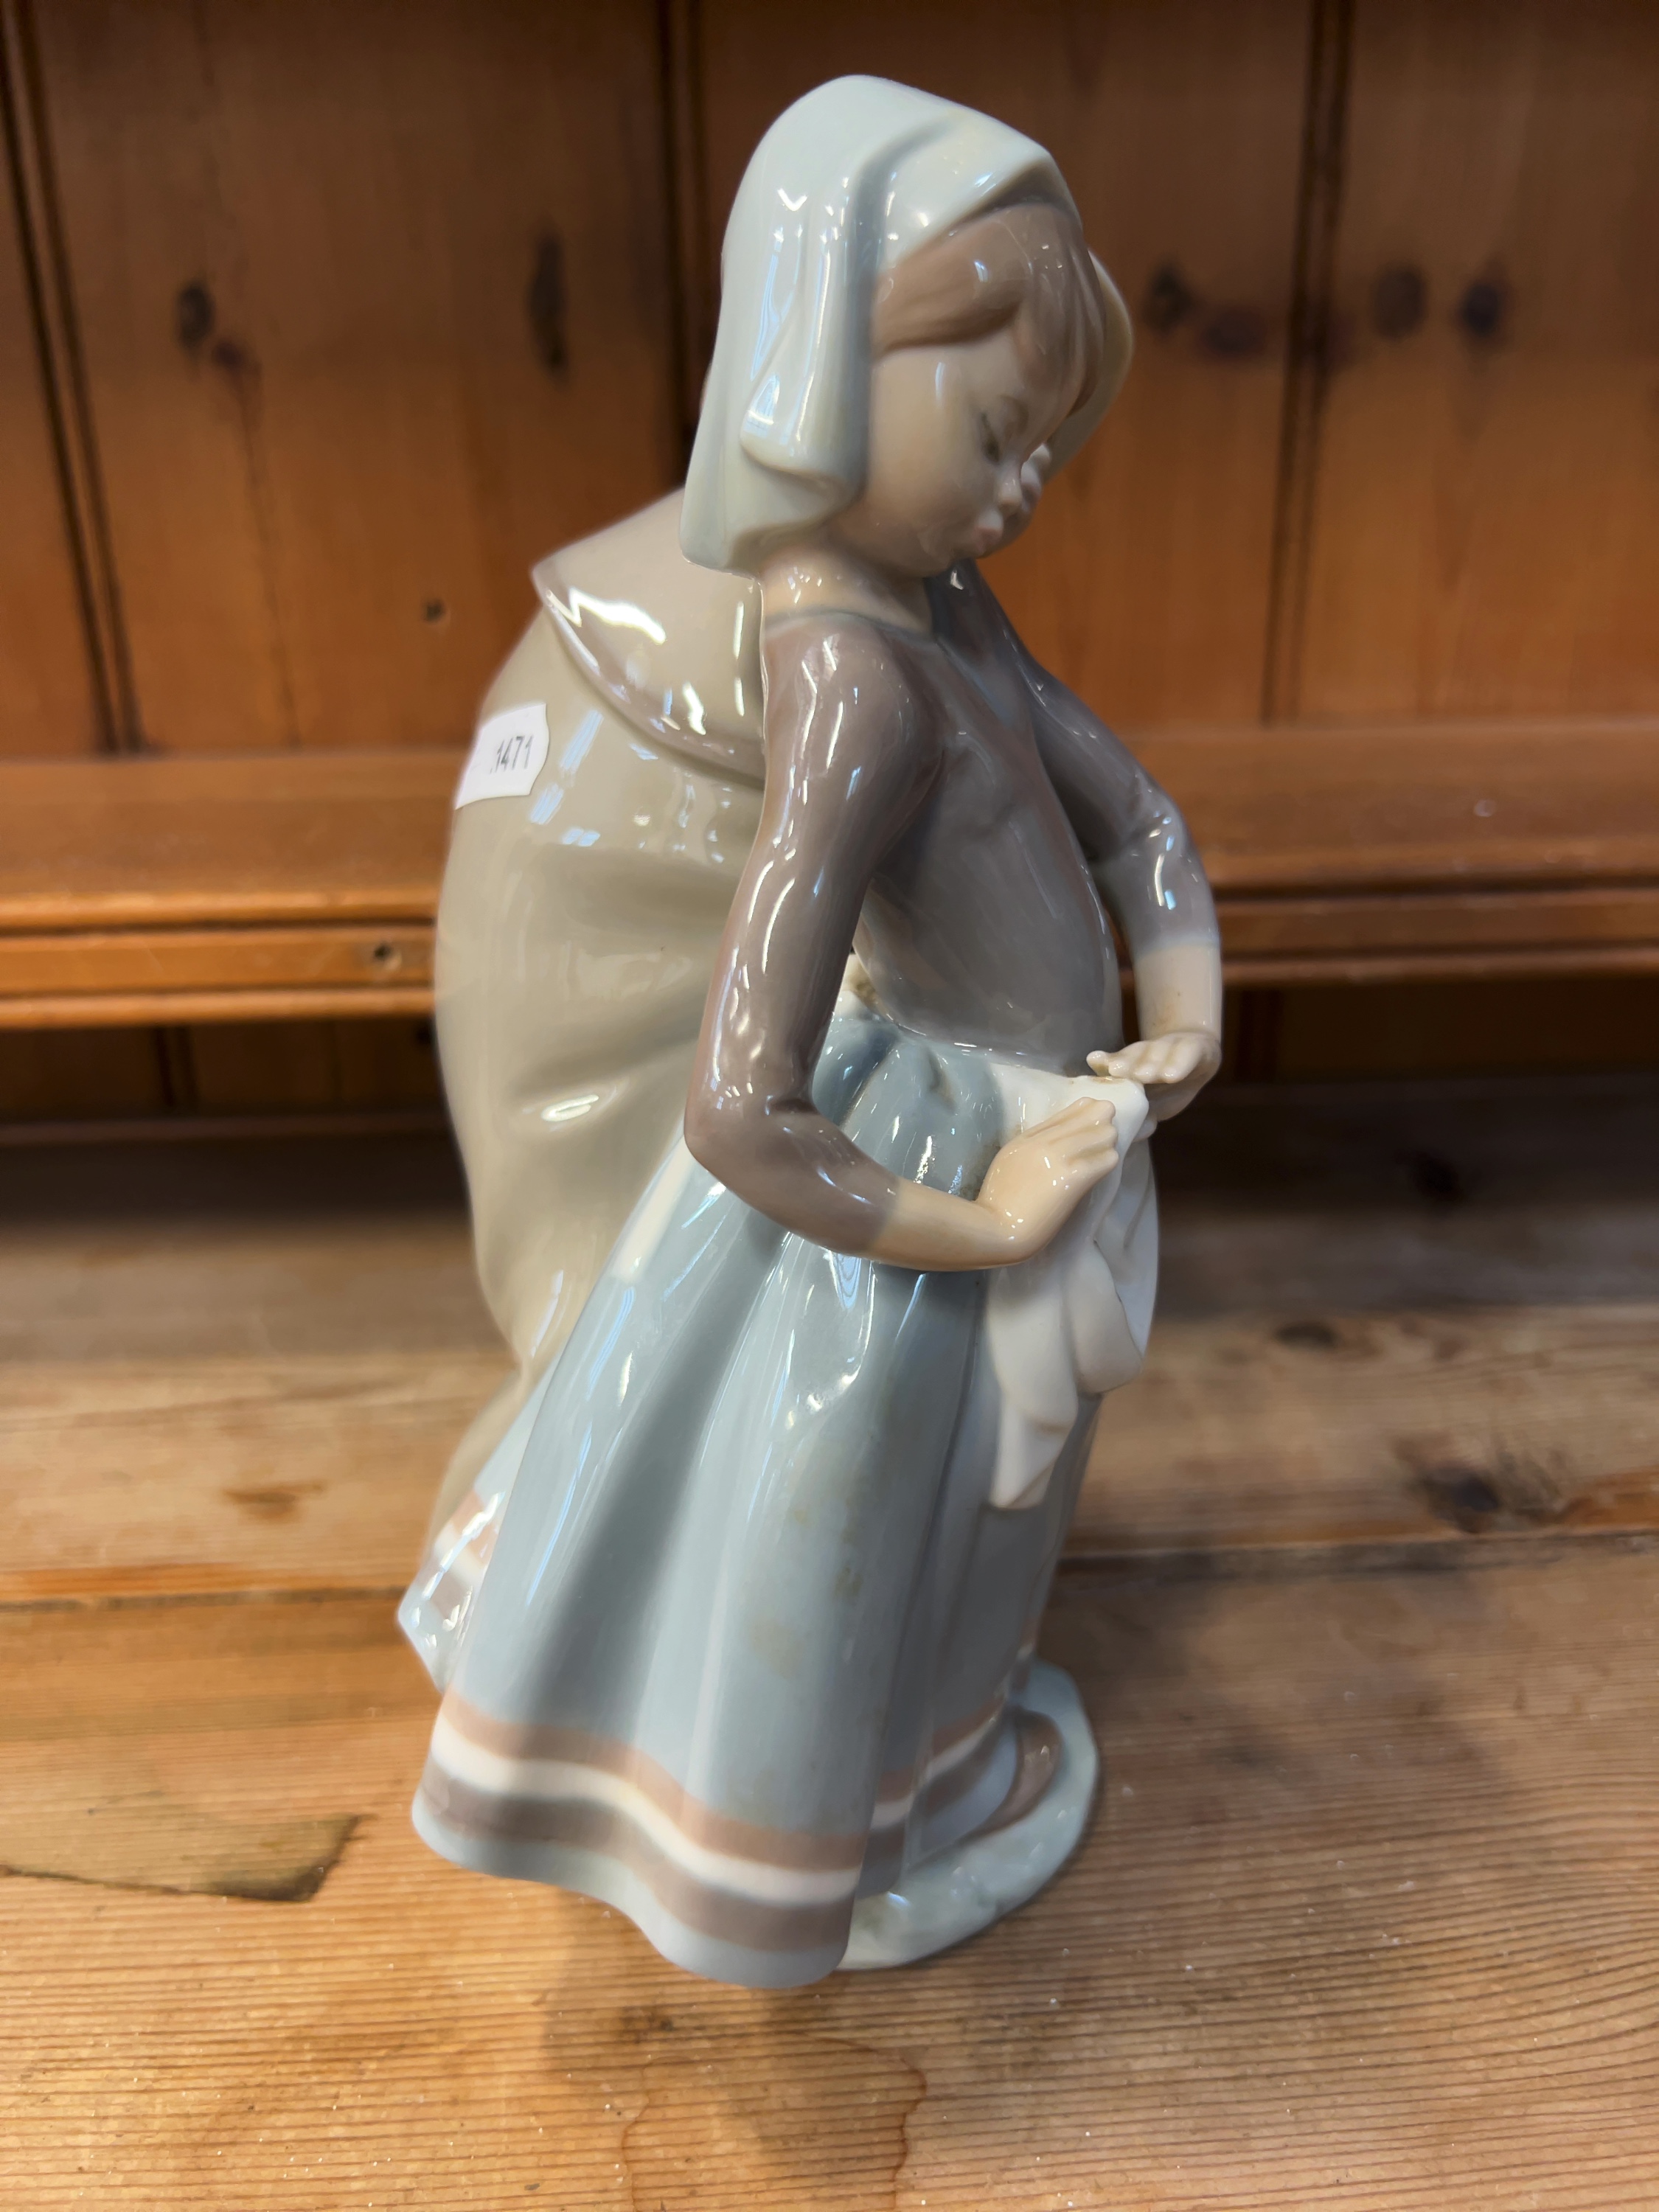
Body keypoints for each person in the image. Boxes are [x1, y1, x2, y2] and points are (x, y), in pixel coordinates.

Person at [401, 76, 1222, 1988]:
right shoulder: (849, 683)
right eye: (994, 432)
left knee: (973, 1515)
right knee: (868, 1510)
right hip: (925, 1162)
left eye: (1043, 445)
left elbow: (1138, 820)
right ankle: (875, 1823)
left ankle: (922, 1782)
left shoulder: (949, 610)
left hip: (1030, 1128)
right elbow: (740, 1106)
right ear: (821, 371)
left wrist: (1180, 1010)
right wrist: (984, 1216)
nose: (1020, 488)